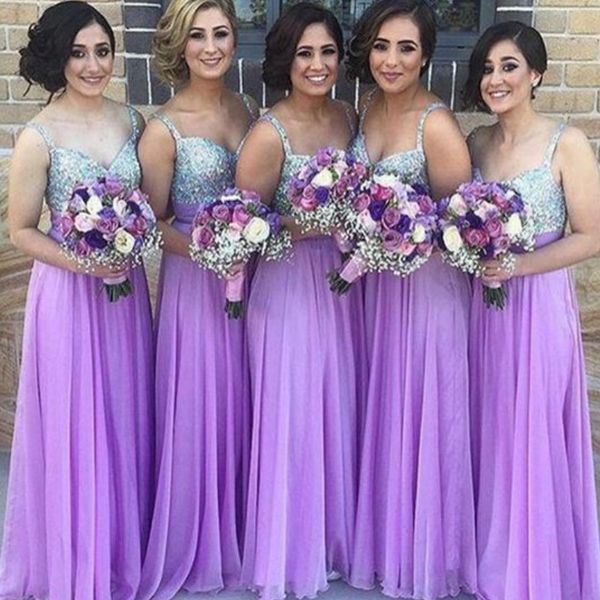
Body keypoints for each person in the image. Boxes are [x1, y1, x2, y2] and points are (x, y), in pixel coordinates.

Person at [0, 2, 154, 599]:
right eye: (78, 53)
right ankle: (76, 560)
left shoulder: (132, 120)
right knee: (76, 425)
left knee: (123, 413)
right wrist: (85, 262)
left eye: (102, 51)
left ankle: (121, 550)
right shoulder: (38, 136)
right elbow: (21, 230)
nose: (93, 65)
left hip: (124, 298)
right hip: (68, 295)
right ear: (58, 59)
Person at [464, 21, 600, 600]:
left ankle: (532, 570)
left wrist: (518, 267)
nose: (496, 79)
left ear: (536, 74)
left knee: (532, 429)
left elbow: (591, 236)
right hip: (483, 308)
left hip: (539, 306)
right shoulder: (476, 143)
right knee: (490, 424)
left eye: (509, 67)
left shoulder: (565, 143)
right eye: (487, 69)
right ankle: (488, 556)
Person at [346, 0, 477, 597]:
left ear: (425, 56)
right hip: (376, 292)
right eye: (381, 46)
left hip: (426, 294)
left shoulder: (437, 123)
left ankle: (430, 555)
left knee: (423, 410)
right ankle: (384, 542)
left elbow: (459, 227)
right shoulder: (365, 109)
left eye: (406, 48)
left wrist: (408, 234)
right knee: (385, 409)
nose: (391, 60)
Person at [235, 3, 366, 598]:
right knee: (293, 411)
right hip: (287, 282)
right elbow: (248, 225)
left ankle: (334, 539)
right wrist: (313, 223)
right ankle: (289, 549)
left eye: (327, 52)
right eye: (304, 53)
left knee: (336, 403)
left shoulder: (349, 117)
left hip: (343, 283)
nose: (317, 64)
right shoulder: (269, 133)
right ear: (285, 61)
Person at [134, 0, 258, 597]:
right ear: (180, 46)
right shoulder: (164, 128)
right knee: (201, 398)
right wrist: (207, 253)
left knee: (245, 395)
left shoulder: (247, 108)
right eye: (198, 36)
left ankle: (246, 527)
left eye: (222, 34)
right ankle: (197, 537)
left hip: (251, 277)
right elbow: (153, 222)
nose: (211, 47)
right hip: (194, 282)